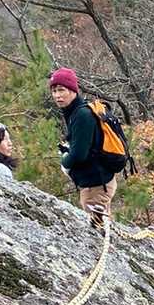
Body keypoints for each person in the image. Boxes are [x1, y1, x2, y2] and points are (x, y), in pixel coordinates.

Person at [48, 67, 121, 224]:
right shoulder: (77, 111)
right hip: (98, 181)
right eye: (54, 91)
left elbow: (79, 154)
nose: (57, 95)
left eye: (61, 90)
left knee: (97, 228)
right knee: (102, 224)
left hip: (95, 185)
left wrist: (65, 162)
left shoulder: (82, 115)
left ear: (73, 90)